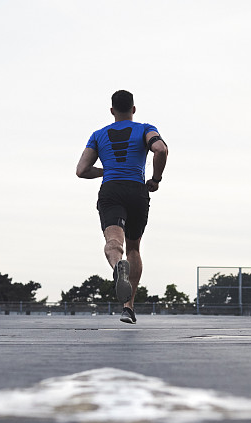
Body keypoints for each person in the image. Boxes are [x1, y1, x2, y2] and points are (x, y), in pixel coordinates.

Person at [76, 90, 168, 324]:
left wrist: (107, 170)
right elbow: (161, 150)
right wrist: (155, 179)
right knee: (134, 248)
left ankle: (118, 267)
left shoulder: (98, 135)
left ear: (111, 111)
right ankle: (128, 308)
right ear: (133, 109)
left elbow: (82, 170)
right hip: (137, 190)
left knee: (113, 243)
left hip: (112, 190)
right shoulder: (146, 129)